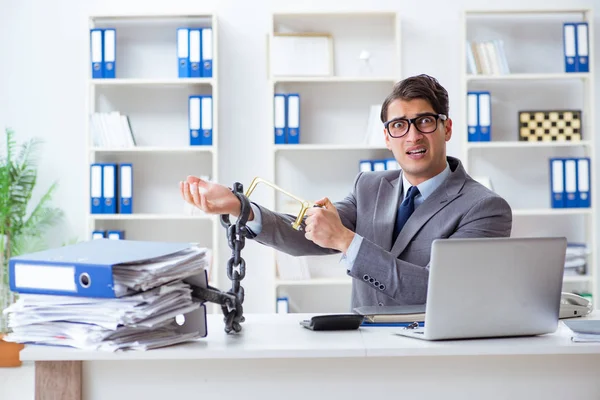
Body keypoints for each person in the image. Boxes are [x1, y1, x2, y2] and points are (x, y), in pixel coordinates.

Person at [180, 74, 512, 308]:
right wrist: (242, 208)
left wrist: (345, 240)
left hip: (436, 358)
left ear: (447, 128)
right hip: (364, 350)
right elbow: (307, 233)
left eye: (424, 121)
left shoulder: (485, 208)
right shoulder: (369, 186)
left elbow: (440, 289)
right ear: (387, 137)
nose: (412, 137)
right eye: (399, 125)